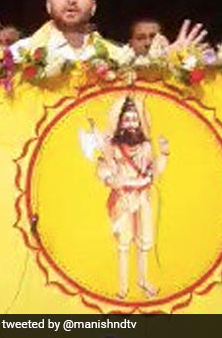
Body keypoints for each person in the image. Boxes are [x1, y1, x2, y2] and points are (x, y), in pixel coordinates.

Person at [0, 0, 206, 314]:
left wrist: (169, 63)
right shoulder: (19, 54)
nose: (72, 0)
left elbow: (143, 98)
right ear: (48, 3)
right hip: (41, 184)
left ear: (93, 6)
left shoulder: (116, 57)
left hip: (92, 188)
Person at [95, 97, 168, 299]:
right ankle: (123, 287)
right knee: (124, 243)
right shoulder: (112, 147)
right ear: (120, 123)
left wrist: (164, 154)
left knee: (144, 241)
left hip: (142, 197)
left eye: (134, 119)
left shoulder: (145, 147)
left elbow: (154, 170)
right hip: (123, 199)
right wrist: (111, 179)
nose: (131, 123)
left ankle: (143, 281)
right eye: (127, 119)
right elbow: (102, 170)